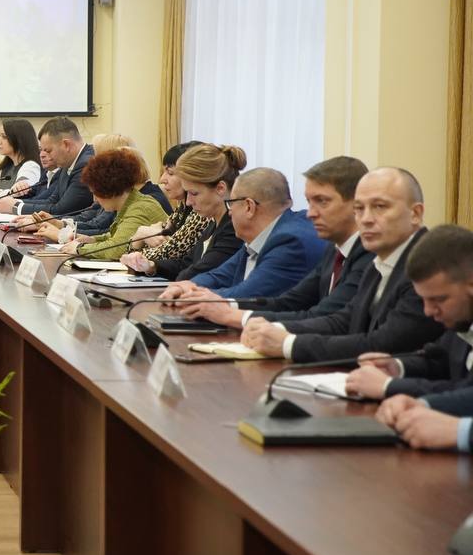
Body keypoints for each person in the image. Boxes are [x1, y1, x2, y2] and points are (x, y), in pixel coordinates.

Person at [241, 167, 441, 361]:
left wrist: (288, 344)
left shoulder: (429, 264)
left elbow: (384, 345)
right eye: (359, 209)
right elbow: (345, 320)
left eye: (380, 206)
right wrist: (275, 329)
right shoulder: (380, 260)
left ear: (415, 213)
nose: (366, 219)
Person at [174, 156, 372, 327]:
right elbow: (288, 301)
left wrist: (227, 312)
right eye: (309, 202)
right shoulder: (333, 249)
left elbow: (325, 318)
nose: (310, 213)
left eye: (322, 201)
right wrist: (189, 288)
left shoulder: (293, 240)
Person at [347, 225, 473, 400]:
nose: (428, 311)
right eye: (424, 300)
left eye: (438, 299)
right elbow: (440, 361)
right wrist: (397, 367)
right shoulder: (461, 315)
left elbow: (468, 394)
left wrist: (388, 386)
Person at [159, 167, 324, 301]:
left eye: (231, 204)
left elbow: (248, 294)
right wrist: (185, 286)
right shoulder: (257, 240)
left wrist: (191, 295)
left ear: (249, 207)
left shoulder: (290, 241)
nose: (229, 212)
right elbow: (221, 275)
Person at [57, 149, 169, 261]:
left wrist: (79, 248)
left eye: (95, 193)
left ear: (108, 190)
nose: (95, 199)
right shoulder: (131, 203)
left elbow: (117, 249)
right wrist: (92, 240)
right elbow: (116, 236)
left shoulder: (140, 208)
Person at [122, 141, 207, 261]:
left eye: (170, 173)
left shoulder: (202, 212)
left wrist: (140, 236)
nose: (162, 179)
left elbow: (166, 253)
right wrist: (141, 235)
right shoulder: (182, 208)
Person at [0, 117, 93, 219]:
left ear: (66, 145)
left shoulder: (86, 165)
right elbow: (53, 201)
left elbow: (62, 210)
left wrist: (16, 207)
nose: (43, 155)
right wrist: (14, 203)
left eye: (48, 151)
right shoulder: (68, 161)